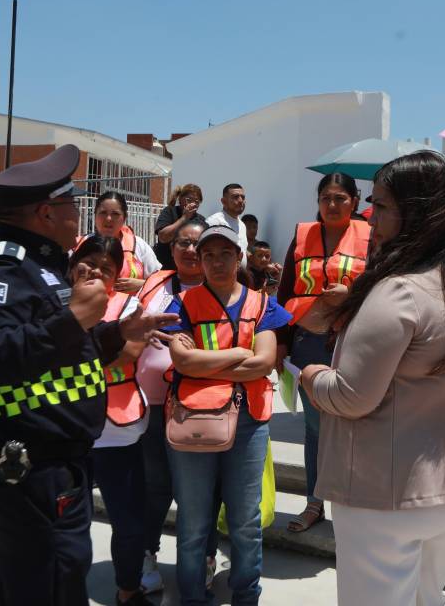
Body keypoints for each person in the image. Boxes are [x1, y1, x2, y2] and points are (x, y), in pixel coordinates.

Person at [0, 145, 178, 606]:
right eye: (70, 205)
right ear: (44, 212)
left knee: (27, 583)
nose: (78, 215)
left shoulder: (43, 268)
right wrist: (71, 319)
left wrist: (117, 333)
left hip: (59, 461)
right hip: (28, 465)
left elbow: (61, 354)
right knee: (48, 584)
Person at [299, 151, 445, 605]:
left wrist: (310, 375)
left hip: (389, 492)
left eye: (382, 205)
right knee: (428, 599)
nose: (371, 218)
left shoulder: (400, 290)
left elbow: (351, 397)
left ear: (418, 212)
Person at [164, 224, 291, 605]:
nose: (217, 262)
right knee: (192, 522)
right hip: (195, 419)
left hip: (249, 420)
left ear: (239, 257)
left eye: (225, 254)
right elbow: (180, 360)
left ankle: (246, 596)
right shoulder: (183, 304)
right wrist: (238, 356)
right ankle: (191, 598)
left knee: (245, 522)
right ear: (199, 261)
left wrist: (202, 366)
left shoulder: (263, 303)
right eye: (208, 255)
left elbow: (265, 361)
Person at [276, 172, 371, 534]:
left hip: (353, 343)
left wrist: (352, 295)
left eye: (340, 198)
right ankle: (315, 503)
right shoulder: (302, 237)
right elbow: (285, 292)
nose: (332, 205)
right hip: (307, 343)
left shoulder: (370, 237)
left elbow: (382, 285)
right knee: (315, 429)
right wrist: (282, 341)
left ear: (354, 202)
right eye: (326, 198)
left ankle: (352, 503)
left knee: (353, 426)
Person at [133, 218, 220, 595]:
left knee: (202, 489)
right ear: (172, 248)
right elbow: (130, 324)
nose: (187, 250)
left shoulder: (223, 289)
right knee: (155, 485)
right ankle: (147, 554)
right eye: (182, 243)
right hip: (153, 403)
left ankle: (203, 557)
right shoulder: (154, 283)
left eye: (195, 244)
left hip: (202, 406)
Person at [68, 235, 152, 606]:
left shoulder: (130, 304)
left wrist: (69, 363)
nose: (99, 273)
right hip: (67, 428)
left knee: (128, 520)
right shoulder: (55, 304)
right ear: (74, 267)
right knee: (69, 523)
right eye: (91, 264)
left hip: (118, 429)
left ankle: (128, 589)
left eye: (108, 268)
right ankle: (67, 591)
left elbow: (130, 353)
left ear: (117, 274)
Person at [86, 191, 162, 295]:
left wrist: (142, 285)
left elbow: (161, 284)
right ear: (95, 215)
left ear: (124, 218)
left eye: (115, 214)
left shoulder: (139, 246)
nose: (108, 218)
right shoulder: (81, 244)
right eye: (103, 213)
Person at [153, 184, 204, 270]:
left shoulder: (201, 221)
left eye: (196, 201)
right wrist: (184, 218)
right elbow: (163, 237)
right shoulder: (170, 212)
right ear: (180, 199)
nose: (193, 204)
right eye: (189, 200)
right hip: (166, 267)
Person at [205, 183, 249, 266]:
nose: (240, 200)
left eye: (243, 197)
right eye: (235, 197)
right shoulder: (214, 222)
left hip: (237, 277)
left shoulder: (242, 225)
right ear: (223, 201)